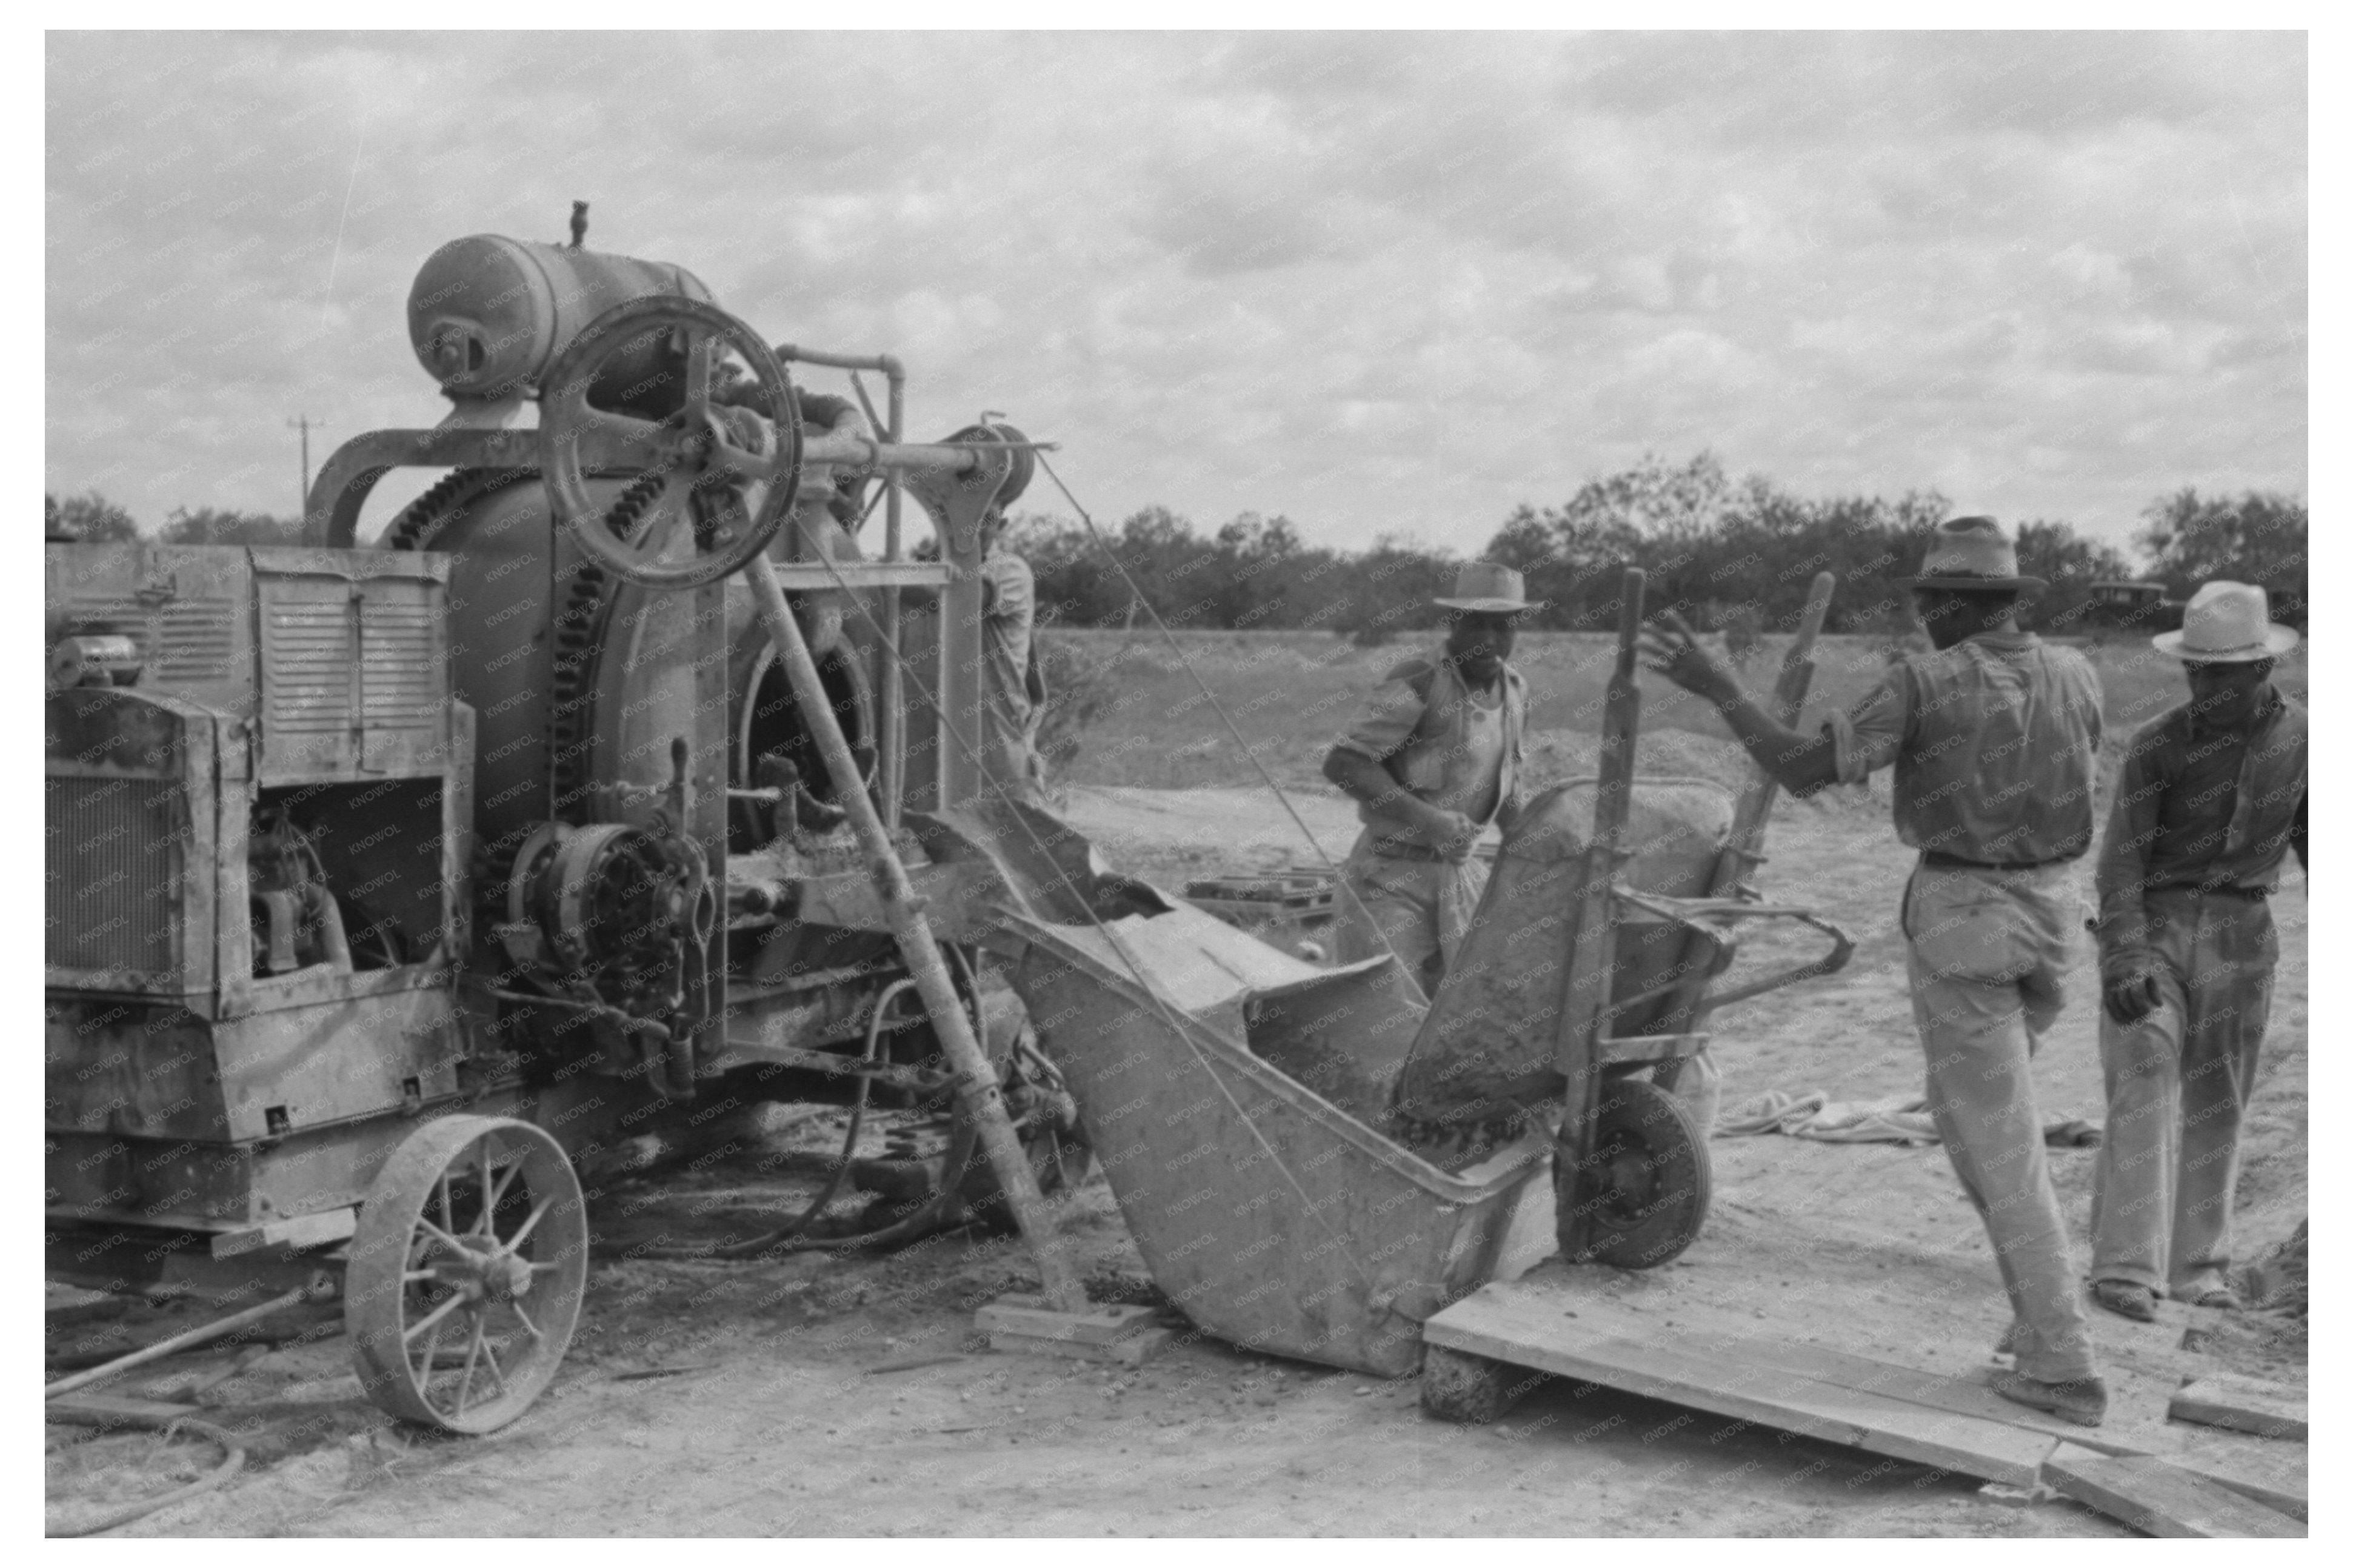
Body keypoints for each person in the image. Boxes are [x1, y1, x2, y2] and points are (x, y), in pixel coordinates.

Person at [1639, 515, 2111, 1426]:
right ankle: (2035, 1320)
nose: (1922, 616)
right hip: (2054, 916)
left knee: (1998, 1145)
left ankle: (2061, 1359)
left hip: (1968, 919)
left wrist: (1720, 687)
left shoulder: (1925, 681)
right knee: (1976, 1126)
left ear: (1950, 605)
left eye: (1930, 601)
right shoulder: (2077, 671)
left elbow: (1805, 769)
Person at [2087, 582, 2306, 1321]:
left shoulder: (2306, 742)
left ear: (2259, 671)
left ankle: (2197, 1270)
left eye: (2219, 672)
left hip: (2245, 938)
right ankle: (2124, 1268)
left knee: (2220, 1100)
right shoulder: (2157, 744)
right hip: (2159, 928)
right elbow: (2121, 861)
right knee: (2144, 1071)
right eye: (2195, 670)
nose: (2203, 684)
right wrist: (2124, 956)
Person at [1321, 562, 1535, 1002]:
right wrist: (1428, 821)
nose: (1489, 640)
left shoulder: (1516, 692)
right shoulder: (1420, 680)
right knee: (1389, 1017)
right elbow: (1345, 762)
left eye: (1503, 627)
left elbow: (1509, 793)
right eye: (1476, 624)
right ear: (1453, 622)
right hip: (1390, 879)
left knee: (1461, 1014)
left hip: (1458, 879)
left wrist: (1540, 853)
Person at [978, 502, 1050, 807]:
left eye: (986, 519)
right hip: (954, 708)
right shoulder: (933, 566)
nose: (973, 526)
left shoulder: (1009, 569)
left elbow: (957, 595)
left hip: (999, 715)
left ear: (1001, 525)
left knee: (1015, 816)